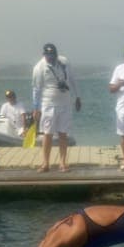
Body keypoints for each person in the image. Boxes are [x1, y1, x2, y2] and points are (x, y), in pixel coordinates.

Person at [32, 43, 82, 173]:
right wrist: (36, 108)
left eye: (52, 55)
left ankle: (63, 162)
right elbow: (36, 89)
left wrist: (77, 97)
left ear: (56, 54)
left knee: (63, 133)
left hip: (65, 103)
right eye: (48, 55)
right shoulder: (39, 67)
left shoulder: (64, 61)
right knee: (47, 134)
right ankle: (45, 163)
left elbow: (72, 79)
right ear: (44, 55)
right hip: (48, 104)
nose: (50, 57)